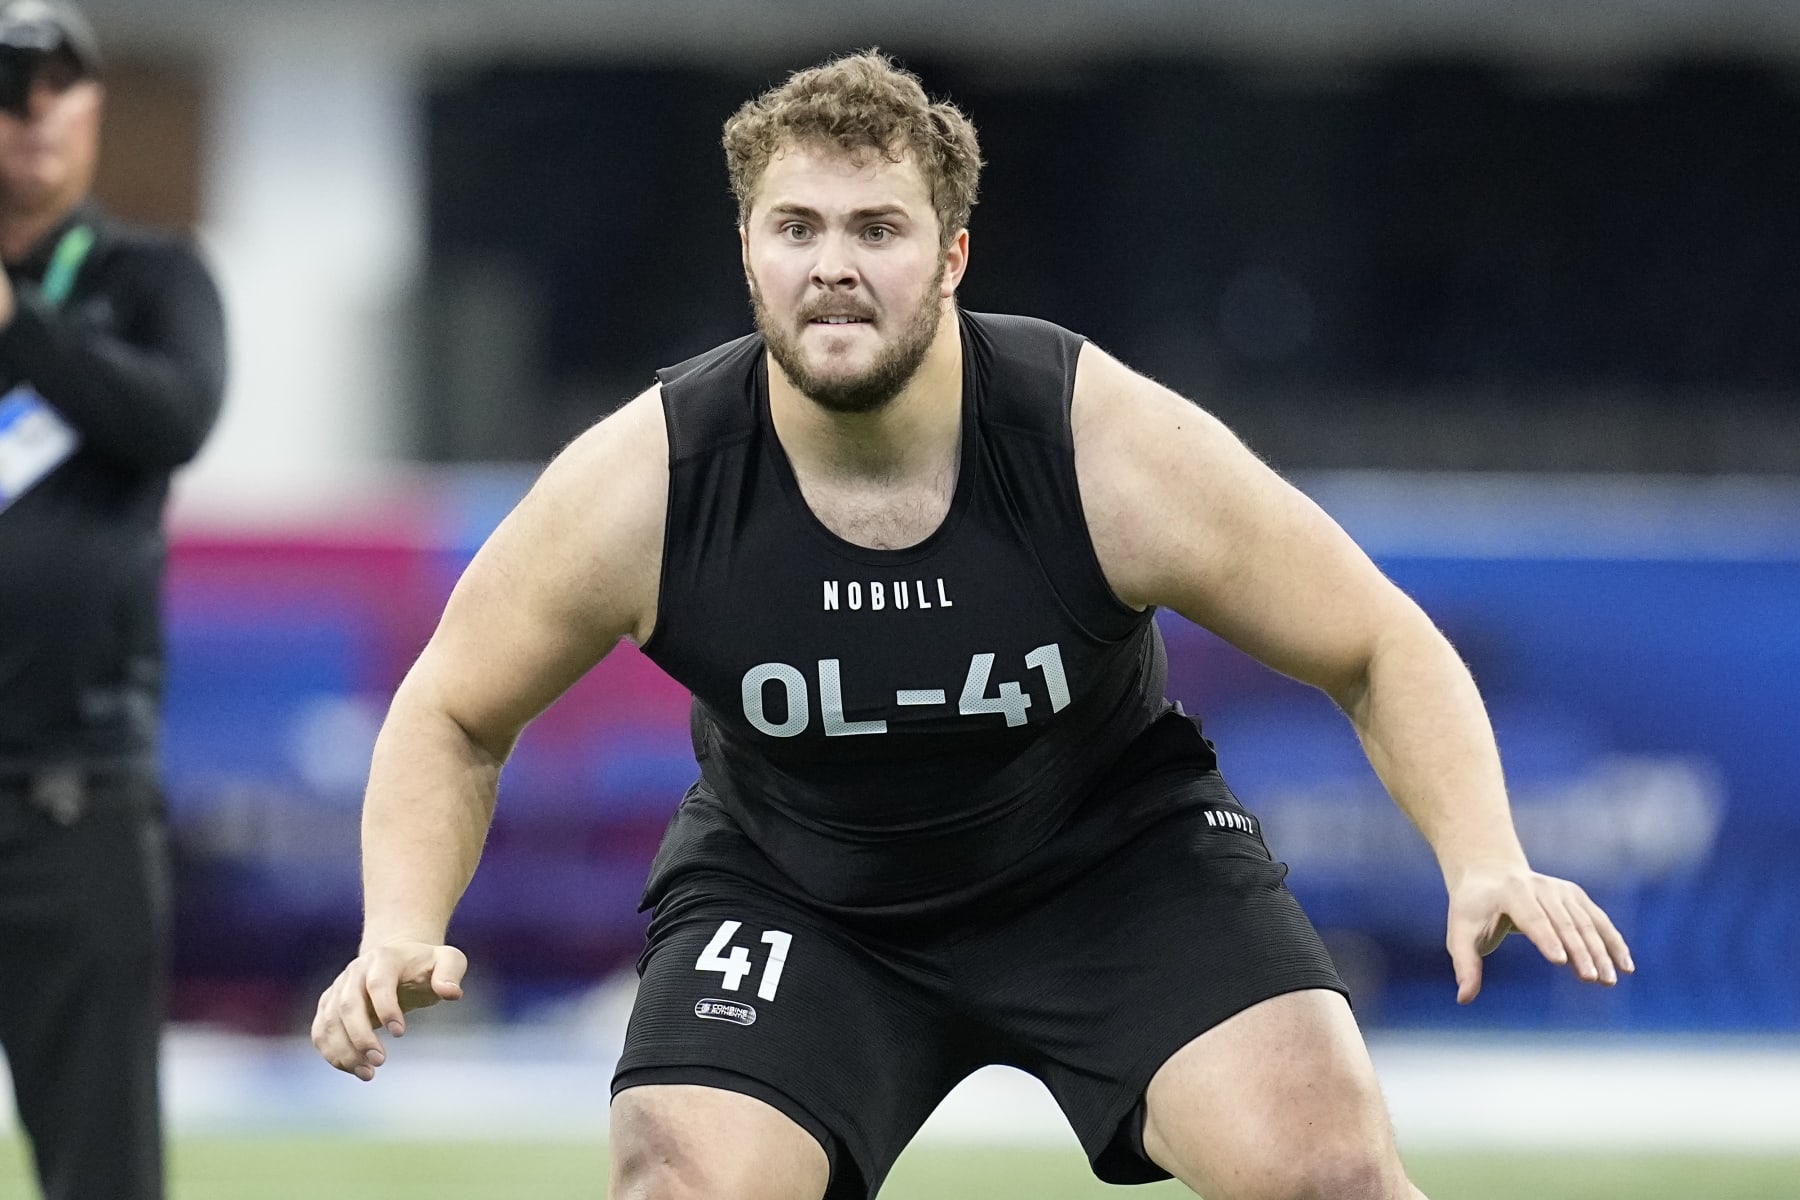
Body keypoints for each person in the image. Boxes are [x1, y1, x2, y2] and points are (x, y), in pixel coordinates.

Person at [312, 51, 1631, 1200]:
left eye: (878, 227)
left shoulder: (1103, 444)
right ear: (748, 251)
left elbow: (1374, 643)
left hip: (1111, 865)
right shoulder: (644, 483)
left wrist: (1483, 856)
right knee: (679, 1185)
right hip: (797, 892)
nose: (832, 266)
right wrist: (398, 926)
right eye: (796, 228)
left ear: (951, 255)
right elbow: (454, 709)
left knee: (1330, 1176)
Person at [0, 2, 227, 1197]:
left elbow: (173, 416)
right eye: (10, 86)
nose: (35, 110)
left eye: (62, 86)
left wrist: (17, 326)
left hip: (69, 795)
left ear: (95, 109)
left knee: (102, 1163)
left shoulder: (152, 276)